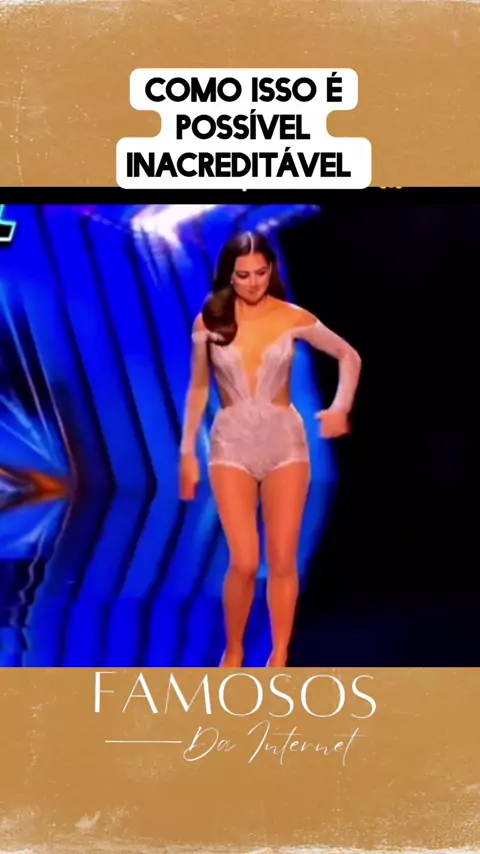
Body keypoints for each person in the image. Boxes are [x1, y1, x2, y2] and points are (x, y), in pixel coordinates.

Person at [179, 231, 361, 667]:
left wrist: (340, 407)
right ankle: (234, 648)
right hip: (231, 445)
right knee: (244, 561)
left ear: (271, 271)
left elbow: (348, 356)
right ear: (229, 275)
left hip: (285, 445)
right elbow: (199, 388)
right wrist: (187, 452)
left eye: (261, 273)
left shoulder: (291, 316)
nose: (253, 282)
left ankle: (279, 654)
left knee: (282, 560)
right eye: (243, 275)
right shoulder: (209, 321)